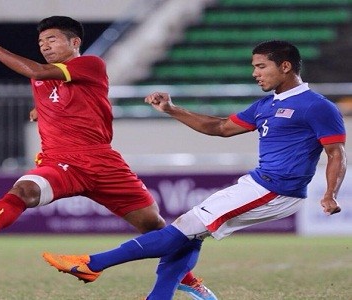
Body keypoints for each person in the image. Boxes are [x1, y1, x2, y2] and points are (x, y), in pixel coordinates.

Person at [42, 40, 347, 300]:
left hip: (275, 190)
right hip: (258, 184)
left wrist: (330, 194)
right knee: (189, 234)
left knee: (183, 227)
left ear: (285, 67)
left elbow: (336, 153)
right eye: (254, 67)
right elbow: (220, 128)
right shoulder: (265, 105)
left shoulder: (316, 106)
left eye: (261, 66)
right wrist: (172, 109)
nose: (255, 73)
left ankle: (92, 263)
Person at [0, 16, 214, 299]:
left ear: (74, 42)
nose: (45, 46)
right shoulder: (45, 79)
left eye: (52, 39)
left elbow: (39, 72)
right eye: (41, 42)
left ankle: (187, 279)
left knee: (155, 227)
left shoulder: (89, 64)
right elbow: (60, 98)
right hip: (60, 162)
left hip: (102, 163)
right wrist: (41, 112)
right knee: (25, 190)